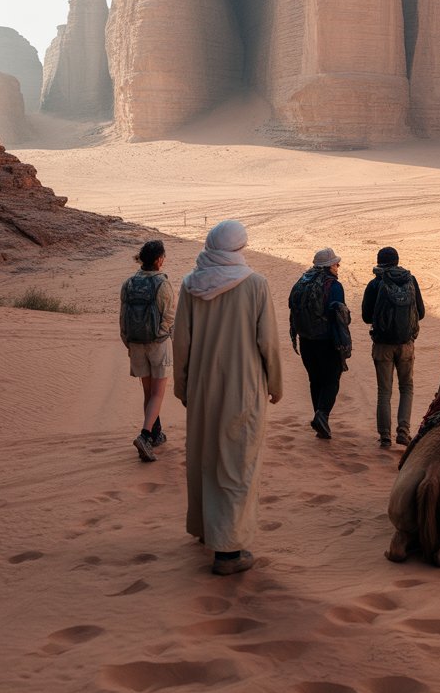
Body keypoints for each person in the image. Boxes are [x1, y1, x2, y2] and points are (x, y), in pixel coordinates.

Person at [173, 220, 283, 576]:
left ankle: (207, 530)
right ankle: (228, 552)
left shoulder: (192, 285)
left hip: (204, 389)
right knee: (237, 465)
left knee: (206, 459)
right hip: (243, 388)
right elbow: (267, 341)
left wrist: (183, 387)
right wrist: (276, 384)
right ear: (238, 248)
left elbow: (181, 344)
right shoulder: (255, 285)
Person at [361, 246, 425, 449]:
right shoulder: (410, 280)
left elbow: (365, 317)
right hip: (406, 344)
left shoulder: (374, 284)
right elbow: (421, 312)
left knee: (384, 391)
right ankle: (404, 431)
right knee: (406, 387)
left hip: (382, 346)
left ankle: (385, 436)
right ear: (397, 261)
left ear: (379, 262)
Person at [120, 240, 176, 463]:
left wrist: (128, 342)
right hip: (157, 343)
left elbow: (123, 316)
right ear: (159, 259)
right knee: (158, 394)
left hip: (135, 343)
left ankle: (155, 433)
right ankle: (144, 436)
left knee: (148, 393)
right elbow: (169, 315)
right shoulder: (163, 284)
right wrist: (161, 334)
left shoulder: (129, 283)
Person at [288, 248, 352, 441]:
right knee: (332, 380)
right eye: (335, 263)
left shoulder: (302, 282)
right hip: (327, 341)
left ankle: (320, 420)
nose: (338, 266)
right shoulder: (333, 285)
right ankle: (322, 415)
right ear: (328, 266)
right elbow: (339, 316)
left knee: (315, 380)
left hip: (306, 340)